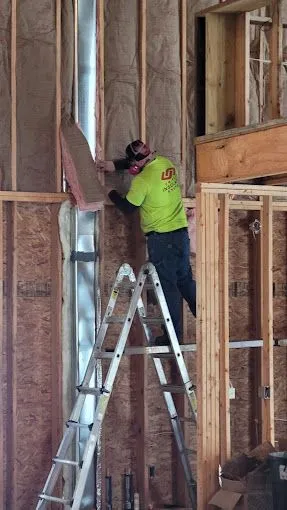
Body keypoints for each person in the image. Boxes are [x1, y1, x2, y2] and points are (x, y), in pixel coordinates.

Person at [97, 140, 196, 345]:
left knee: (168, 288)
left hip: (162, 239)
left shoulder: (142, 181)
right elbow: (136, 163)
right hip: (180, 236)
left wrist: (110, 192)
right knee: (185, 281)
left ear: (137, 162)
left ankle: (172, 337)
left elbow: (128, 207)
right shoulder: (166, 164)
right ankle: (207, 320)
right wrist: (113, 166)